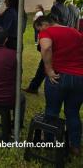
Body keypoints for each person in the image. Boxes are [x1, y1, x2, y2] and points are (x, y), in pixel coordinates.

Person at [34, 15, 83, 156]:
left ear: (44, 24)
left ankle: (49, 141)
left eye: (38, 30)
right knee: (73, 112)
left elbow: (46, 47)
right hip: (79, 78)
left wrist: (48, 69)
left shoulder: (47, 32)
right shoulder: (74, 31)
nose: (39, 33)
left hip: (59, 76)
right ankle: (75, 146)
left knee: (52, 111)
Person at [25, 0, 80, 94]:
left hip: (56, 41)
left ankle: (34, 86)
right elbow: (77, 28)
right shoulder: (75, 9)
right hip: (71, 41)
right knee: (65, 65)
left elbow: (50, 25)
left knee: (45, 64)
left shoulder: (56, 8)